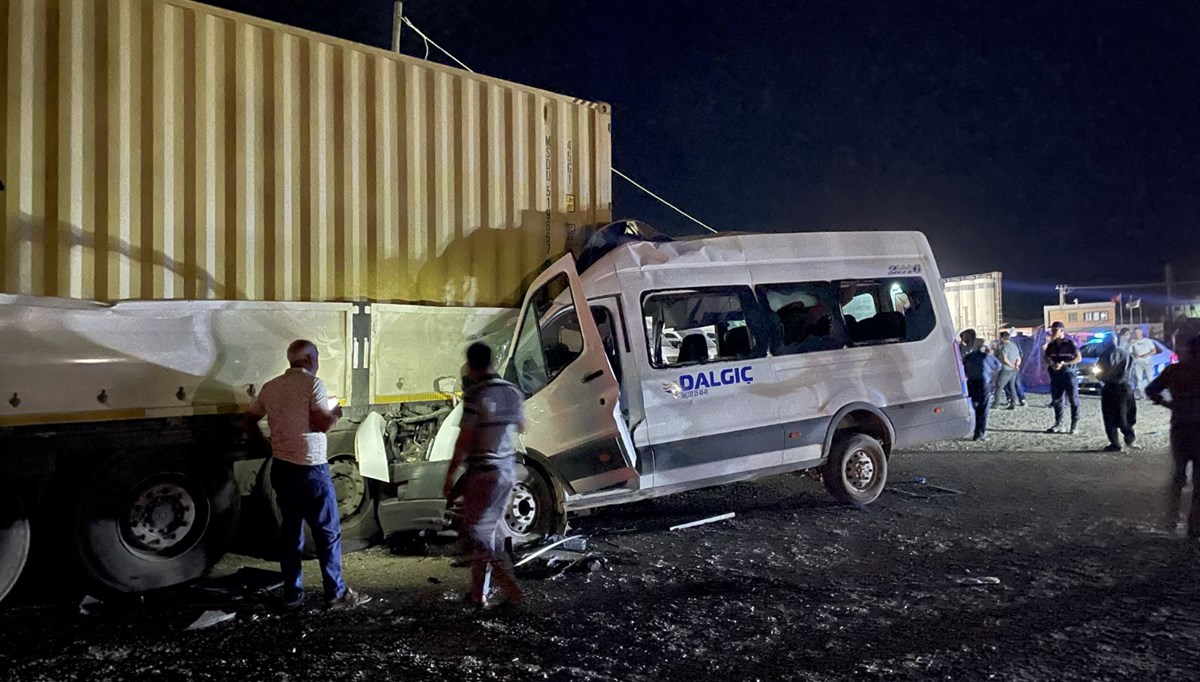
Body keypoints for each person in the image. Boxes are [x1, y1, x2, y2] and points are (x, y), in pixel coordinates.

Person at [244, 340, 370, 609]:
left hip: (282, 468)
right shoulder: (313, 384)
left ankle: (292, 594)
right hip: (311, 469)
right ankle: (336, 594)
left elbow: (249, 420)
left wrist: (266, 444)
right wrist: (335, 412)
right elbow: (322, 424)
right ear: (311, 359)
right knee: (328, 533)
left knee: (291, 532)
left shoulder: (271, 386)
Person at [444, 342, 526, 608]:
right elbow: (522, 426)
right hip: (506, 472)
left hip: (483, 474)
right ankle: (479, 594)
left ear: (470, 365)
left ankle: (512, 590)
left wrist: (451, 473)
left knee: (478, 533)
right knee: (489, 534)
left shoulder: (476, 394)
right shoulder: (512, 391)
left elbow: (465, 439)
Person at [1145, 335, 1200, 540]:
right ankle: (1194, 525)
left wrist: (1168, 404)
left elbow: (1151, 390)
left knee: (1179, 474)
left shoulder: (1174, 371)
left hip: (1180, 426)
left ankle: (1172, 518)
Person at [1095, 337, 1138, 452]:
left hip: (1110, 387)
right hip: (1126, 388)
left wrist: (1102, 378)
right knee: (1125, 415)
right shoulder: (1127, 354)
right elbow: (1132, 371)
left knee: (1109, 417)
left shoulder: (1104, 355)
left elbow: (1098, 372)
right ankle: (1129, 438)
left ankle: (1115, 443)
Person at [1044, 321, 1082, 434]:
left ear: (1062, 331)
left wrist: (1064, 363)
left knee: (1073, 400)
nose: (1053, 332)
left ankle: (1074, 425)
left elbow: (1078, 358)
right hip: (1055, 375)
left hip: (1068, 374)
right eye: (1052, 330)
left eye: (1055, 330)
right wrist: (1051, 364)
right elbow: (1046, 357)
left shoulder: (1070, 343)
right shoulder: (1051, 345)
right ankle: (1058, 424)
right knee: (1057, 400)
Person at [962, 344, 1002, 441]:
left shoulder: (968, 357)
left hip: (971, 383)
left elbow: (964, 369)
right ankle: (980, 433)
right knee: (983, 409)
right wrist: (991, 354)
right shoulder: (986, 356)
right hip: (983, 383)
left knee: (974, 408)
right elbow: (998, 366)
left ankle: (972, 430)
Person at [993, 331, 1022, 410]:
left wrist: (1011, 365)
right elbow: (1018, 358)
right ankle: (1013, 402)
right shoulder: (1014, 346)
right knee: (1012, 386)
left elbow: (1004, 359)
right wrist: (1016, 365)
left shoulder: (1003, 347)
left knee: (999, 386)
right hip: (1014, 370)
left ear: (1002, 338)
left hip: (1005, 369)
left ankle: (996, 403)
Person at [1128, 328, 1156, 399]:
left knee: (1149, 379)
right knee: (1139, 379)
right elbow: (1130, 352)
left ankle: (1151, 394)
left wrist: (1146, 355)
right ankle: (1142, 394)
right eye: (1135, 332)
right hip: (1138, 363)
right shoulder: (1133, 342)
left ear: (1141, 332)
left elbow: (1154, 351)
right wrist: (1134, 354)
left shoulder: (1148, 341)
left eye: (1138, 332)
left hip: (1147, 362)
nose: (1137, 334)